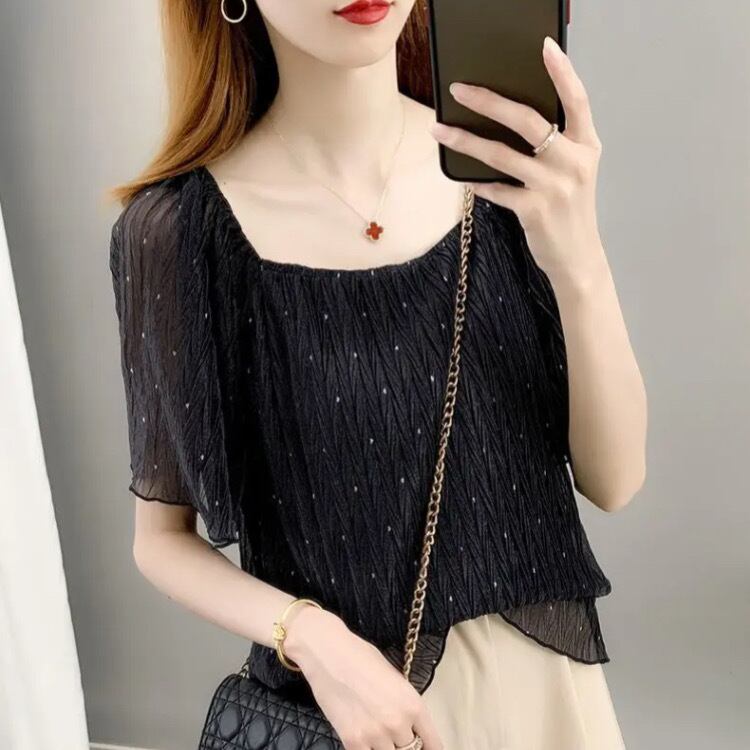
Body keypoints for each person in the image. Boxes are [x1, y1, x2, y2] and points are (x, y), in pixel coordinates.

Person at [108, 2, 647, 748]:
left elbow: (616, 479)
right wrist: (311, 638)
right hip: (363, 719)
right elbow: (160, 540)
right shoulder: (178, 234)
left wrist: (579, 254)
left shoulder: (512, 182)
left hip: (549, 704)